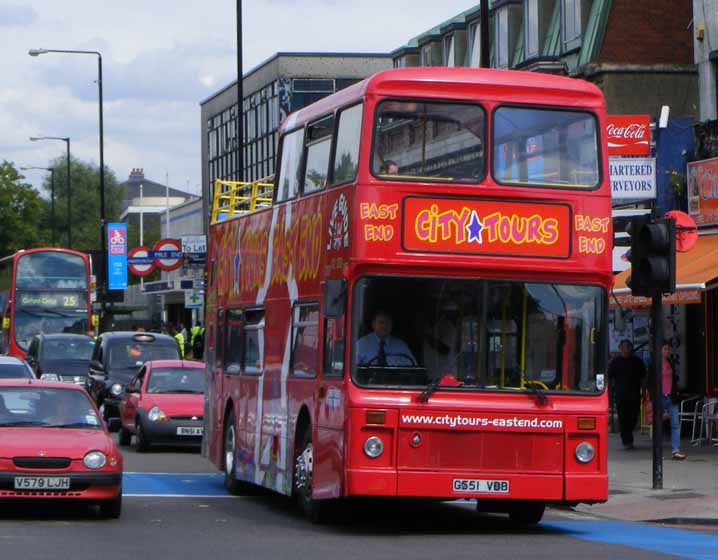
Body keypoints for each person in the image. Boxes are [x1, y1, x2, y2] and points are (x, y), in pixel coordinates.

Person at [608, 339, 646, 450]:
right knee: (623, 418)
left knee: (633, 417)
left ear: (631, 349)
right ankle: (627, 440)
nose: (625, 350)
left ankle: (629, 435)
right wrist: (608, 392)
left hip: (634, 395)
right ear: (620, 349)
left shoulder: (637, 361)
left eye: (627, 347)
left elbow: (643, 377)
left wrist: (644, 391)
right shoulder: (615, 362)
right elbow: (609, 377)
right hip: (620, 395)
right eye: (623, 347)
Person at [661, 341, 686, 460]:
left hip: (671, 396)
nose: (667, 351)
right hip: (660, 396)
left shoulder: (670, 362)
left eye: (668, 349)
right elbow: (650, 380)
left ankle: (675, 450)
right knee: (658, 423)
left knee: (675, 424)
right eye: (665, 349)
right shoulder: (654, 363)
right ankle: (657, 449)